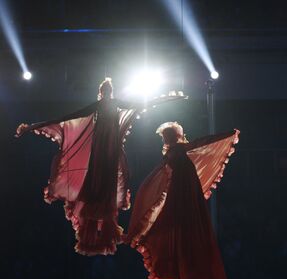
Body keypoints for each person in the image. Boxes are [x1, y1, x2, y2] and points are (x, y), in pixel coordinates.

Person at [16, 78, 184, 256]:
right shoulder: (98, 106)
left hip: (110, 151)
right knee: (96, 188)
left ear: (110, 92)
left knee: (107, 189)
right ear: (101, 92)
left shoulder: (114, 103)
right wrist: (35, 126)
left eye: (108, 90)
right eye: (104, 90)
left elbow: (141, 104)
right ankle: (89, 240)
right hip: (100, 151)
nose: (106, 93)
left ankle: (104, 238)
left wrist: (166, 99)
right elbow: (70, 117)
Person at [125, 121, 240, 279]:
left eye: (166, 137)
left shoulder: (177, 151)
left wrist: (226, 136)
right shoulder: (174, 154)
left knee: (179, 236)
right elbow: (159, 179)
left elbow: (201, 144)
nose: (165, 141)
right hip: (181, 198)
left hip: (183, 198)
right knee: (179, 237)